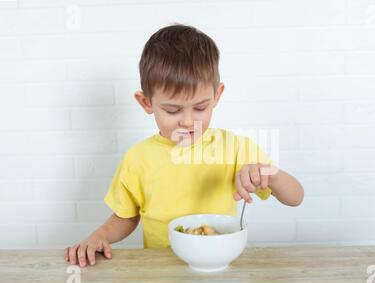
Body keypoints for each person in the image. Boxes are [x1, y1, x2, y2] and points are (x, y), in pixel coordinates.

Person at [65, 23, 304, 267]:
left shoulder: (235, 148)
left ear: (217, 96)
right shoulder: (138, 158)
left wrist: (268, 174)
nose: (188, 121)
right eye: (172, 110)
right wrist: (99, 236)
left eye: (200, 108)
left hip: (217, 267)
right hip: (159, 274)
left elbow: (296, 197)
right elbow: (126, 216)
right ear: (146, 103)